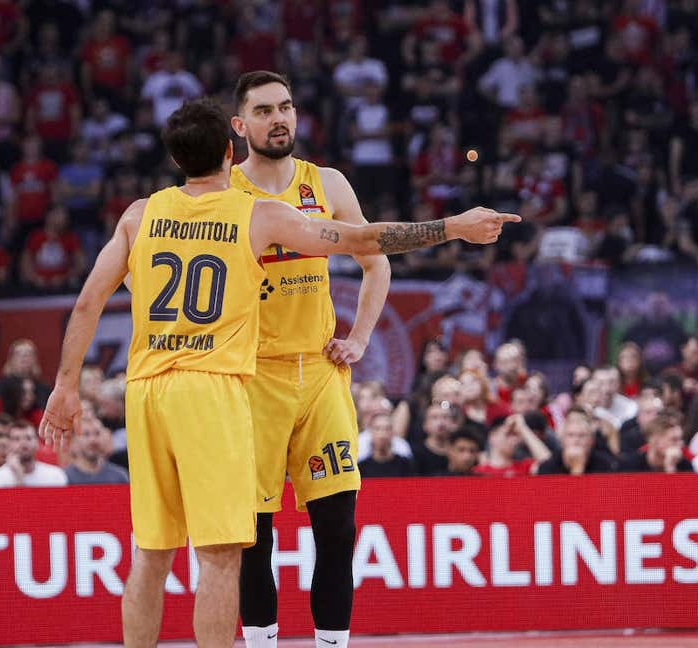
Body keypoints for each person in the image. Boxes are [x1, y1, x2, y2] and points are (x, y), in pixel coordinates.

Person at [38, 98, 515, 648]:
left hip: (145, 389)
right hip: (213, 388)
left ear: (175, 161)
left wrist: (66, 386)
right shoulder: (256, 213)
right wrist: (451, 226)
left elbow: (86, 304)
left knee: (151, 552)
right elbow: (364, 240)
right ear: (228, 150)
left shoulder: (138, 215)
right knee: (219, 557)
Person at [228, 69, 396, 648]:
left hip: (322, 376)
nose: (279, 119)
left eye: (287, 107)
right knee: (254, 534)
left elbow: (377, 260)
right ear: (239, 124)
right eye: (265, 110)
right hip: (254, 381)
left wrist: (360, 339)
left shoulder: (325, 182)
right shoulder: (223, 193)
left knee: (337, 525)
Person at [0, 421, 68, 487]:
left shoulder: (55, 475)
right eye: (16, 439)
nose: (23, 443)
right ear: (8, 445)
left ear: (37, 443)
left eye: (28, 438)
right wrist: (18, 478)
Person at [536, 408, 617, 475]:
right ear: (562, 440)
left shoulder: (605, 465)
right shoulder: (548, 466)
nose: (576, 440)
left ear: (591, 440)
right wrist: (577, 469)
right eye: (571, 435)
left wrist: (578, 467)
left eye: (582, 435)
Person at [65, 414, 130, 484]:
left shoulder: (119, 477)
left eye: (97, 433)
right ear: (74, 440)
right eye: (86, 434)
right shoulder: (65, 478)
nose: (93, 440)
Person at [619, 412, 693, 473]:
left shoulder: (684, 465)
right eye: (674, 440)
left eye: (681, 439)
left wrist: (670, 468)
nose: (681, 444)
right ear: (655, 441)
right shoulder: (631, 464)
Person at [357, 412, 414, 478]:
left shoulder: (405, 465)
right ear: (370, 431)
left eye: (387, 429)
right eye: (377, 428)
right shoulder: (361, 467)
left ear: (393, 432)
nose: (382, 434)